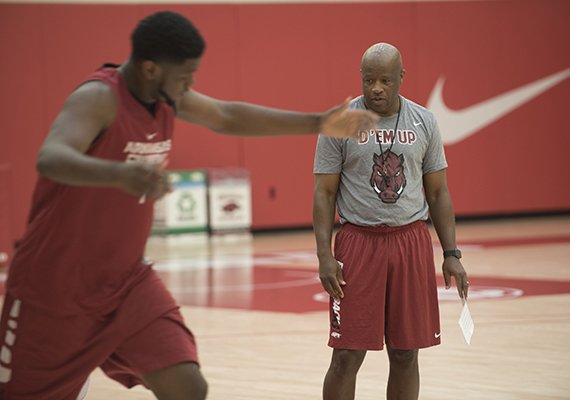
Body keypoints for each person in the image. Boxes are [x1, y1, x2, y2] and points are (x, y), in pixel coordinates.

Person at [0, 11, 378, 400]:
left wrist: (317, 122)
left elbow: (226, 115)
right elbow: (51, 158)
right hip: (53, 288)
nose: (190, 85)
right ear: (150, 68)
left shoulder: (166, 98)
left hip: (124, 283)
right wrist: (118, 174)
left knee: (187, 386)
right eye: (184, 76)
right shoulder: (98, 98)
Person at [312, 42, 469, 400]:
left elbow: (439, 193)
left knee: (405, 352)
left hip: (410, 240)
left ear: (401, 77)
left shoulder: (424, 121)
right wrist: (324, 254)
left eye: (384, 80)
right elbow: (323, 194)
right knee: (347, 354)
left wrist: (452, 253)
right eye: (369, 80)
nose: (376, 88)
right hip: (357, 243)